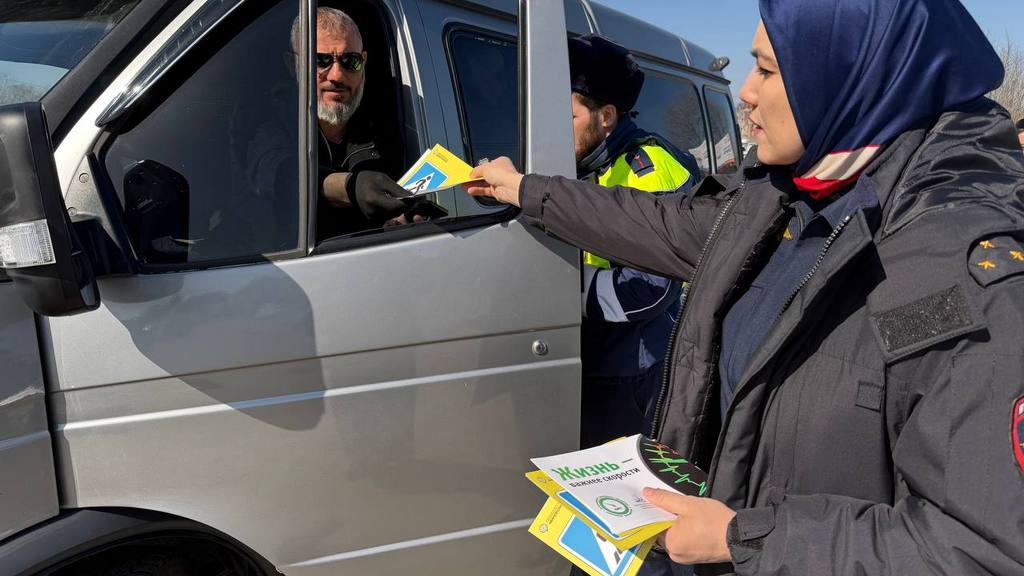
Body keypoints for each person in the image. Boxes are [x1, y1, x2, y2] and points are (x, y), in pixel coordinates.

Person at [466, 0, 1024, 574]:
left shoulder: (958, 267)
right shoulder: (786, 202)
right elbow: (653, 221)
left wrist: (742, 539)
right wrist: (524, 189)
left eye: (767, 70)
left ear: (848, 75)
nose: (745, 94)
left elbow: (984, 548)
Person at [565, 34, 696, 451]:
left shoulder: (648, 170)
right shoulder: (580, 162)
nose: (553, 125)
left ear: (605, 116)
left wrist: (560, 289)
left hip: (631, 370)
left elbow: (648, 289)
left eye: (566, 115)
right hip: (588, 357)